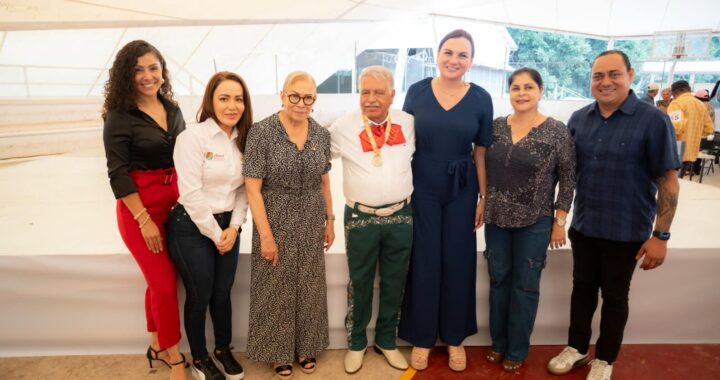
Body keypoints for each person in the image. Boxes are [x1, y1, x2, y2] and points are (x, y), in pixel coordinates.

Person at [547, 50, 680, 380]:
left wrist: (660, 235)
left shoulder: (653, 120)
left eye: (614, 74)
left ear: (630, 75)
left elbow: (668, 180)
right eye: (598, 76)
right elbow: (564, 173)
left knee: (615, 297)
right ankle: (577, 348)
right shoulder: (579, 119)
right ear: (591, 80)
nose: (606, 82)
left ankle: (605, 358)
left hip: (628, 230)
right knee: (582, 290)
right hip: (585, 226)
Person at [398, 29, 493, 372]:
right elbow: (403, 143)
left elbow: (480, 153)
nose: (454, 60)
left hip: (462, 187)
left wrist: (483, 197)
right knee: (424, 258)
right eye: (448, 52)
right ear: (437, 55)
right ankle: (422, 337)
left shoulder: (481, 98)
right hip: (421, 182)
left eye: (462, 55)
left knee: (458, 259)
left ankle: (454, 337)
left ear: (471, 61)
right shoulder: (418, 91)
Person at [102, 40, 187, 380]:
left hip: (176, 205)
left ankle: (156, 345)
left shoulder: (173, 108)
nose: (148, 76)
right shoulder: (119, 117)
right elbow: (117, 173)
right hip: (141, 210)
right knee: (165, 286)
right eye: (138, 69)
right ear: (126, 75)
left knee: (160, 283)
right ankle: (176, 358)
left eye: (153, 68)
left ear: (163, 71)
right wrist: (144, 220)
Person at [483, 68, 576, 372]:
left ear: (540, 91)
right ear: (509, 92)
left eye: (529, 87)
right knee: (499, 283)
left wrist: (559, 220)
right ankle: (498, 343)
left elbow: (568, 176)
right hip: (496, 219)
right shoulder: (495, 127)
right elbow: (480, 163)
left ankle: (517, 349)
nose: (522, 93)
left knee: (525, 287)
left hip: (535, 221)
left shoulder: (556, 130)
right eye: (516, 88)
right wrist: (482, 201)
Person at [243, 71, 334, 380]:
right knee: (276, 286)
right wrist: (266, 236)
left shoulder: (320, 134)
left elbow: (324, 180)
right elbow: (252, 189)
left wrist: (330, 219)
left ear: (314, 101)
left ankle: (307, 346)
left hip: (310, 217)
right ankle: (278, 352)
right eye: (294, 96)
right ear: (282, 95)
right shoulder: (262, 132)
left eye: (308, 98)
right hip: (275, 218)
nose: (301, 103)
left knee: (309, 285)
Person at [329, 66, 415, 374]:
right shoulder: (342, 127)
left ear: (392, 94)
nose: (371, 99)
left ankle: (387, 341)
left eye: (379, 92)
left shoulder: (409, 123)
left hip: (402, 216)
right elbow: (318, 162)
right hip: (360, 218)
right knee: (360, 283)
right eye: (365, 92)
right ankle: (356, 344)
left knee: (395, 282)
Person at [166, 71, 251, 380]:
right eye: (224, 98)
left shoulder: (244, 139)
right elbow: (190, 193)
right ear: (210, 102)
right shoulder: (193, 138)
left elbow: (244, 189)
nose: (232, 106)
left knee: (222, 293)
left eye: (238, 99)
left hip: (229, 224)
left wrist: (235, 227)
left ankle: (223, 349)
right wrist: (217, 234)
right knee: (199, 294)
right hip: (191, 226)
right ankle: (200, 357)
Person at [668, 80, 714, 177]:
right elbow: (709, 129)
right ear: (689, 89)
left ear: (673, 93)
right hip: (691, 152)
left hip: (675, 151)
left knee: (668, 182)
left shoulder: (676, 103)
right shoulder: (701, 105)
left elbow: (675, 128)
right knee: (679, 180)